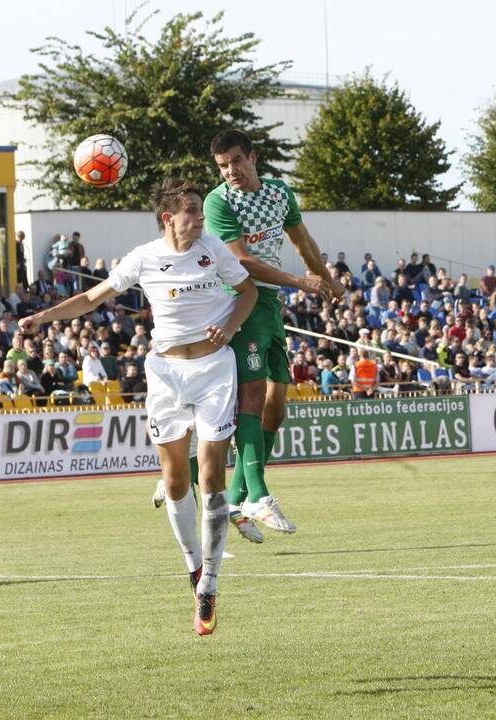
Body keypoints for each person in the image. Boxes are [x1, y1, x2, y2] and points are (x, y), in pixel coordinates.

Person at [19, 178, 257, 635]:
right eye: (190, 209)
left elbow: (248, 293)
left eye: (199, 209)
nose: (199, 217)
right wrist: (44, 316)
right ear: (169, 217)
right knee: (174, 481)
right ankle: (193, 567)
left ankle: (210, 583)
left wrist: (228, 327)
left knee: (211, 475)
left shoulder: (213, 251)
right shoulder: (144, 257)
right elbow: (92, 298)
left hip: (214, 371)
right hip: (165, 374)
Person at [204, 129, 340, 538]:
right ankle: (257, 496)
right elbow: (242, 261)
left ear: (253, 158)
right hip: (238, 300)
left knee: (276, 407)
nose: (231, 172)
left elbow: (303, 240)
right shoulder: (218, 201)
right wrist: (301, 283)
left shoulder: (280, 192)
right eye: (223, 166)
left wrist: (328, 280)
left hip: (270, 306)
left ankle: (235, 499)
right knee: (251, 400)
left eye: (236, 162)